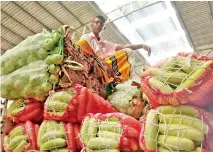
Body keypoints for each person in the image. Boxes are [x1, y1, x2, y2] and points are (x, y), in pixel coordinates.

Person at [77, 15, 151, 83]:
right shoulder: (86, 37)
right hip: (94, 65)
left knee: (129, 51)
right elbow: (82, 53)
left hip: (105, 65)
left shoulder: (103, 42)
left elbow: (123, 47)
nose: (99, 25)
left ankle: (128, 77)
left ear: (103, 28)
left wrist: (141, 45)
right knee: (127, 52)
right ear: (91, 25)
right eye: (96, 22)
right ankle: (131, 77)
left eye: (101, 24)